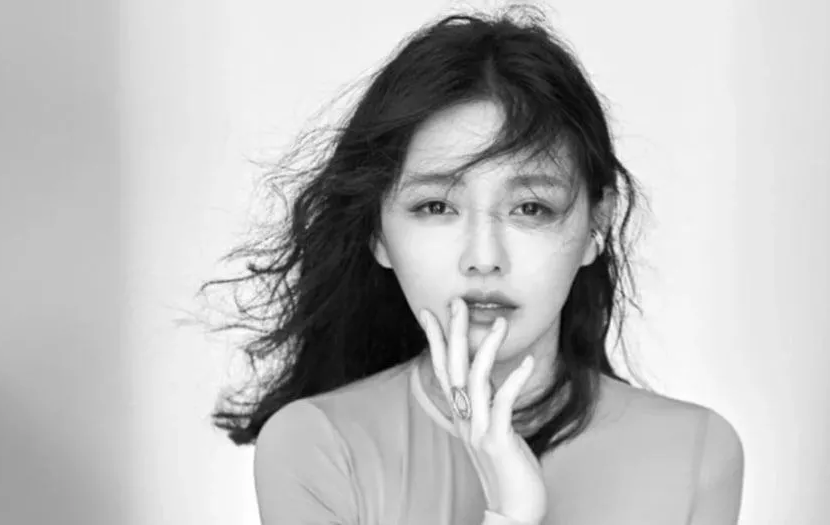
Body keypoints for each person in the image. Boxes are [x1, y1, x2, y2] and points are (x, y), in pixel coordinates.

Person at [201, 5, 745, 524]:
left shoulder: (695, 455)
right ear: (377, 233)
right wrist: (511, 513)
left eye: (531, 208)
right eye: (436, 207)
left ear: (595, 227)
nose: (484, 258)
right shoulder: (316, 446)